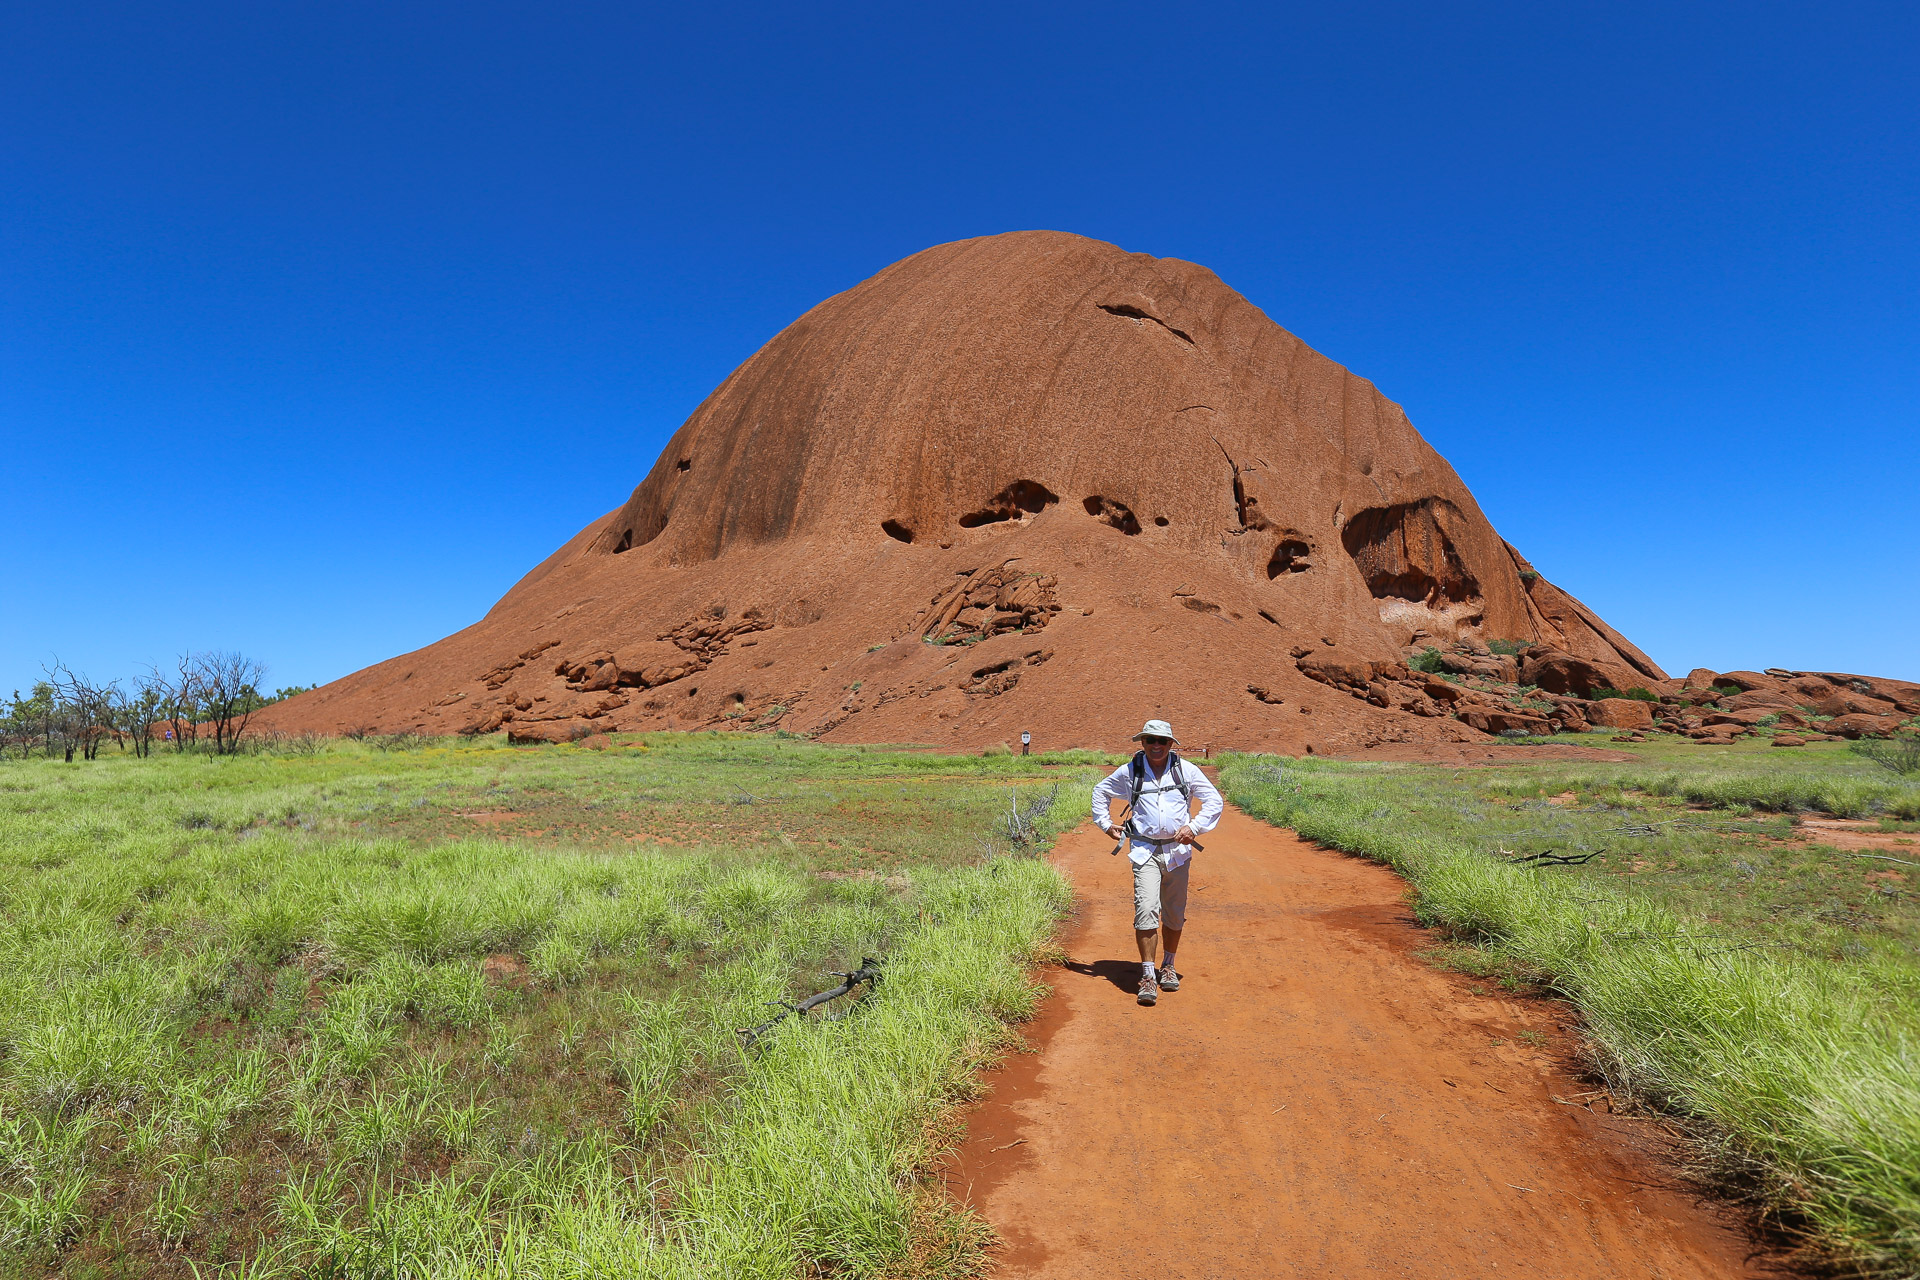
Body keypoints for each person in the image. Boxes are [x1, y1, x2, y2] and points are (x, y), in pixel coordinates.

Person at [1091, 719, 1223, 1006]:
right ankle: (1148, 974)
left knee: (1174, 913)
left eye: (1162, 741)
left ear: (1171, 744)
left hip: (1178, 854)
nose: (1156, 746)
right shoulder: (1131, 771)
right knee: (1146, 909)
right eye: (1150, 740)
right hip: (1144, 852)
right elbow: (1099, 792)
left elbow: (1214, 800)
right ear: (1142, 742)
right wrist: (1105, 824)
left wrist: (1195, 827)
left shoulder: (1185, 770)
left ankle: (1169, 966)